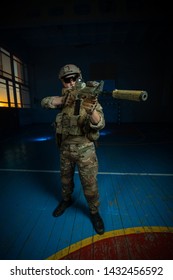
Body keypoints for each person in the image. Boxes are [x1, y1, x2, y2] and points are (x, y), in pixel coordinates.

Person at [41, 64, 105, 235]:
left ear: (80, 77)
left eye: (74, 78)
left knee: (90, 185)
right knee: (65, 181)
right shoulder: (64, 99)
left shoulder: (89, 95)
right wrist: (62, 100)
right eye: (66, 80)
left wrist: (91, 111)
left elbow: (99, 123)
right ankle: (66, 200)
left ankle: (94, 212)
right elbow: (44, 101)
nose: (71, 82)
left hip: (85, 151)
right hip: (65, 150)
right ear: (62, 81)